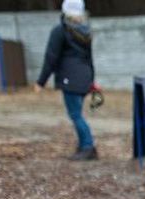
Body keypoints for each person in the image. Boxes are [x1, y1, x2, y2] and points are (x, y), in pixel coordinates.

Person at [36, 0, 97, 161]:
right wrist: (91, 80)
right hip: (84, 77)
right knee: (78, 113)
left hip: (70, 78)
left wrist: (41, 81)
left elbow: (51, 57)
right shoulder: (85, 32)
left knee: (76, 115)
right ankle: (84, 145)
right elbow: (89, 58)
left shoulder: (61, 31)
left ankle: (88, 147)